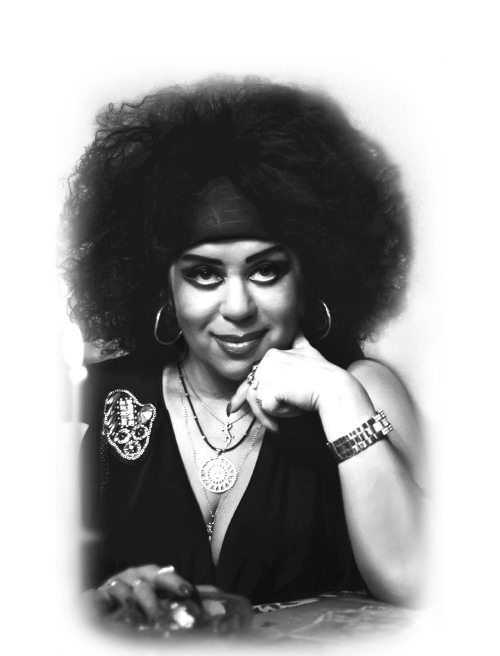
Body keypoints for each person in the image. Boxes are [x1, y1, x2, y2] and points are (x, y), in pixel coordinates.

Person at [63, 78, 423, 624]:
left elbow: (422, 581)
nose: (237, 307)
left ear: (309, 276)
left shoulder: (362, 389)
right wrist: (99, 605)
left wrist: (337, 396)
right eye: (204, 274)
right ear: (164, 288)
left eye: (266, 270)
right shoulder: (92, 399)